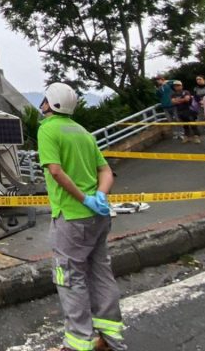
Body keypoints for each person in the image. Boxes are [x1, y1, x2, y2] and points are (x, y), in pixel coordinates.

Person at [37, 83, 126, 351]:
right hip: (98, 217)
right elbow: (106, 170)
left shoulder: (48, 129)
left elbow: (55, 171)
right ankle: (109, 339)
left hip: (72, 218)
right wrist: (99, 196)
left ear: (50, 104)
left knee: (70, 277)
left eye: (44, 100)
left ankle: (78, 343)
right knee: (101, 272)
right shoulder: (84, 133)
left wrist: (82, 199)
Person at [192, 76, 205, 145]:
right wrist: (200, 101)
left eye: (200, 79)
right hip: (201, 106)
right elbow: (195, 97)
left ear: (204, 80)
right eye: (197, 79)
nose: (198, 80)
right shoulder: (195, 88)